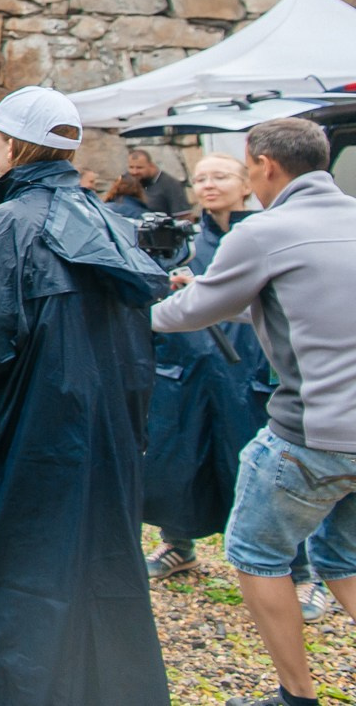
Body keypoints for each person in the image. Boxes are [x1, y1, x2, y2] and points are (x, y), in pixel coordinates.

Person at [0, 86, 172, 706]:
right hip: (107, 438)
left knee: (16, 579)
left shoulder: (12, 224)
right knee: (100, 572)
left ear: (8, 145)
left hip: (32, 438)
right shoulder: (109, 221)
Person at [149, 118, 356, 706]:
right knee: (342, 558)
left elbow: (188, 314)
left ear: (263, 166)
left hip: (313, 432)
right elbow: (298, 302)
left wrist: (133, 315)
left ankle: (296, 696)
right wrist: (214, 286)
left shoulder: (268, 228)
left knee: (256, 554)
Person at [144, 154, 269, 583]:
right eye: (201, 179)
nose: (209, 185)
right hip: (187, 362)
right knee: (178, 456)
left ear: (247, 184)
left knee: (264, 468)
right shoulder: (181, 238)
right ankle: (178, 545)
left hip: (248, 361)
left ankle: (298, 567)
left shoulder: (261, 235)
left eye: (221, 176)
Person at [127, 146, 192, 217]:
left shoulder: (171, 185)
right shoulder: (129, 180)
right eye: (131, 167)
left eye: (139, 168)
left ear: (151, 166)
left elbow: (184, 217)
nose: (134, 172)